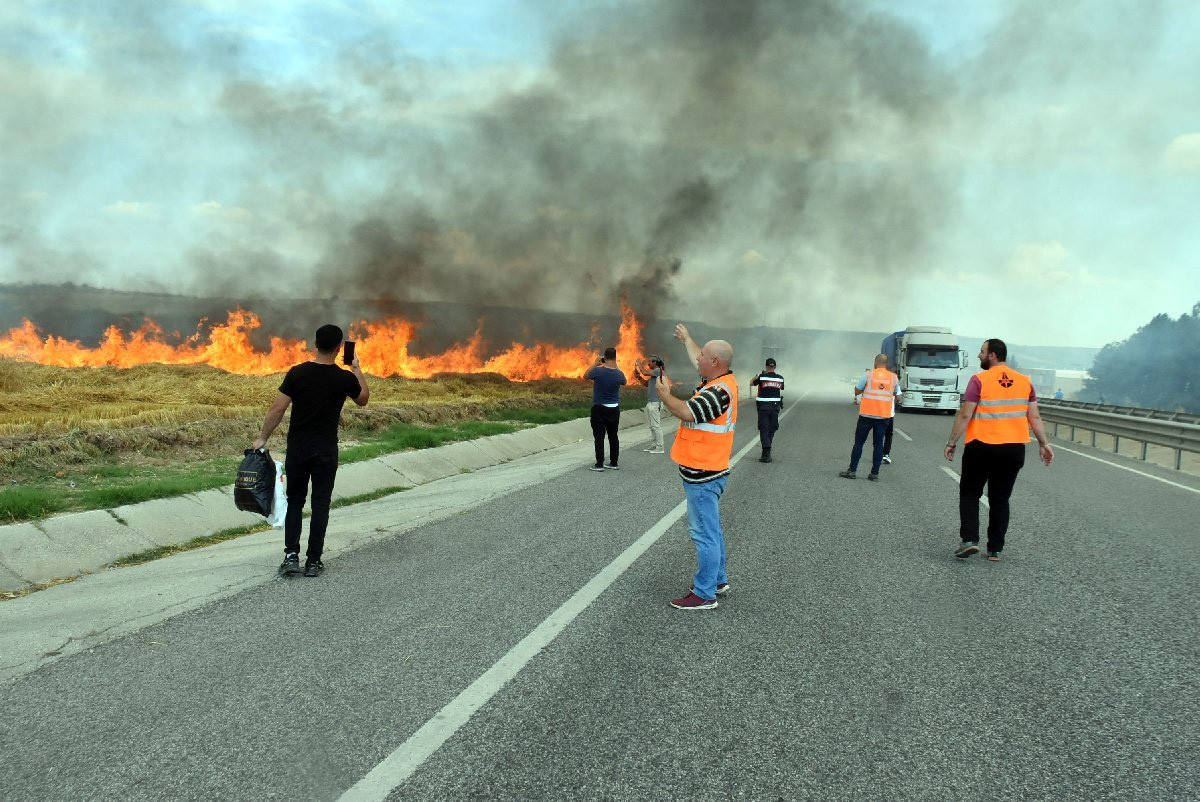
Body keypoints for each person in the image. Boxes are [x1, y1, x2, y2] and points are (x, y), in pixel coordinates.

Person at [252, 324, 369, 577]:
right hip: (326, 450)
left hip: (299, 449)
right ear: (340, 349)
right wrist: (357, 369)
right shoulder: (344, 377)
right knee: (321, 504)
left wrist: (262, 437)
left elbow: (277, 409)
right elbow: (363, 399)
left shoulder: (297, 373)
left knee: (295, 501)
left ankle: (291, 556)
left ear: (315, 344)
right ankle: (314, 561)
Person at [945, 338, 1053, 561]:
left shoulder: (979, 380)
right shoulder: (1025, 382)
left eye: (982, 351)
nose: (979, 355)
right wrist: (1044, 443)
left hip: (981, 447)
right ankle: (995, 549)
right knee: (1000, 499)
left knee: (970, 493)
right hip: (1013, 449)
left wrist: (952, 442)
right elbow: (1034, 416)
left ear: (992, 355)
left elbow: (965, 414)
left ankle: (969, 540)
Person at [656, 324, 737, 611]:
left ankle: (705, 594)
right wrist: (687, 340)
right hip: (708, 470)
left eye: (703, 355)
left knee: (703, 533)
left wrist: (664, 395)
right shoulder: (719, 380)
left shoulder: (719, 393)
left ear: (715, 362)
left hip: (704, 475)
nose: (698, 358)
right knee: (711, 530)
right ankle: (717, 580)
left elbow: (687, 411)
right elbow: (697, 359)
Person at [839, 354, 901, 481]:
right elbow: (899, 397)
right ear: (886, 363)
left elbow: (857, 391)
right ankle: (874, 474)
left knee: (859, 443)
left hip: (866, 415)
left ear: (875, 362)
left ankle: (852, 471)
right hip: (883, 417)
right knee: (878, 445)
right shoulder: (894, 377)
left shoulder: (868, 375)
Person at [584, 347, 627, 471]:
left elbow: (585, 375)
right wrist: (615, 365)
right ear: (615, 358)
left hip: (599, 409)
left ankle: (599, 464)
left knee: (599, 437)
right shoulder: (620, 374)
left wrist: (595, 362)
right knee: (613, 436)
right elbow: (624, 382)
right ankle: (614, 463)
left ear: (604, 357)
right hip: (614, 409)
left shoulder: (597, 371)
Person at [749, 357, 784, 463]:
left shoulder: (762, 377)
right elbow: (782, 387)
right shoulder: (780, 378)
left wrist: (756, 376)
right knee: (772, 428)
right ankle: (767, 450)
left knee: (764, 428)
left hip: (763, 407)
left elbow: (751, 383)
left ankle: (766, 452)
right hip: (775, 407)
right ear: (775, 367)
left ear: (766, 366)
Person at [641, 354, 666, 454]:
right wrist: (638, 377)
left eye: (650, 362)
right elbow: (646, 384)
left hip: (655, 402)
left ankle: (660, 447)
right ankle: (654, 445)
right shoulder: (654, 374)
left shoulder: (658, 371)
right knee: (652, 426)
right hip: (650, 402)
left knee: (656, 426)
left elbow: (645, 372)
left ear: (655, 363)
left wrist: (639, 364)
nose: (648, 363)